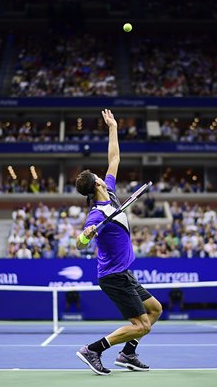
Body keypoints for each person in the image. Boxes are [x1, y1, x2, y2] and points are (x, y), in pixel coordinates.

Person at [74, 109, 163, 376]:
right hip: (113, 276)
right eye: (99, 175)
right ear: (97, 182)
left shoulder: (111, 193)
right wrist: (85, 236)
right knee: (142, 325)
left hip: (124, 272)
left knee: (155, 309)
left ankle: (127, 354)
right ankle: (93, 349)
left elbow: (115, 157)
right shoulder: (96, 214)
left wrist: (113, 127)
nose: (104, 174)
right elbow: (79, 243)